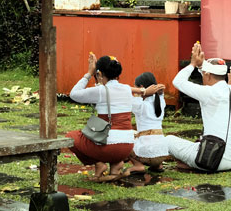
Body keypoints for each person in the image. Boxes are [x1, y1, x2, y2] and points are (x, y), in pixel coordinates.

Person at [164, 42, 231, 171]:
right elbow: (212, 79)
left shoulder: (209, 93)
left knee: (168, 140)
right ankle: (189, 162)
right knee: (197, 143)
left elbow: (177, 82)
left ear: (207, 75)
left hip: (213, 161)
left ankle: (190, 162)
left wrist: (193, 64)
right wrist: (201, 67)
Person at [66, 53, 135, 182]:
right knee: (112, 140)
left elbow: (74, 94)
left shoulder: (100, 91)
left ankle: (99, 164)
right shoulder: (126, 89)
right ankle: (116, 164)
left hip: (109, 148)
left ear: (99, 74)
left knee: (71, 137)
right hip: (127, 148)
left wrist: (88, 73)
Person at [123, 72, 168, 176]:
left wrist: (142, 92)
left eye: (136, 87)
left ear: (141, 87)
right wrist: (159, 91)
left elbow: (123, 91)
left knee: (125, 138)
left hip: (147, 155)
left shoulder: (139, 104)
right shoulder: (161, 102)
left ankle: (138, 165)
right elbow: (160, 95)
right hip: (162, 153)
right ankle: (158, 165)